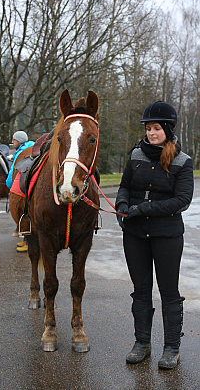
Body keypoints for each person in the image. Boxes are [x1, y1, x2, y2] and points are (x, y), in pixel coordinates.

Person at [115, 101, 194, 370]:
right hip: (135, 233)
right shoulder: (136, 155)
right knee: (141, 291)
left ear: (168, 130)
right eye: (148, 128)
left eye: (157, 128)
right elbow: (125, 186)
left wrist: (143, 208)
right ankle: (142, 343)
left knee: (169, 292)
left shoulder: (182, 162)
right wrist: (122, 206)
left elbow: (182, 201)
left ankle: (171, 347)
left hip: (167, 235)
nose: (151, 133)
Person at [6, 131, 34, 252]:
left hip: (22, 188)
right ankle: (27, 240)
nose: (12, 142)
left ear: (20, 141)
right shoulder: (31, 149)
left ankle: (29, 242)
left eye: (14, 140)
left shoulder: (21, 153)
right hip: (29, 186)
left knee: (25, 212)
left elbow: (14, 171)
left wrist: (9, 184)